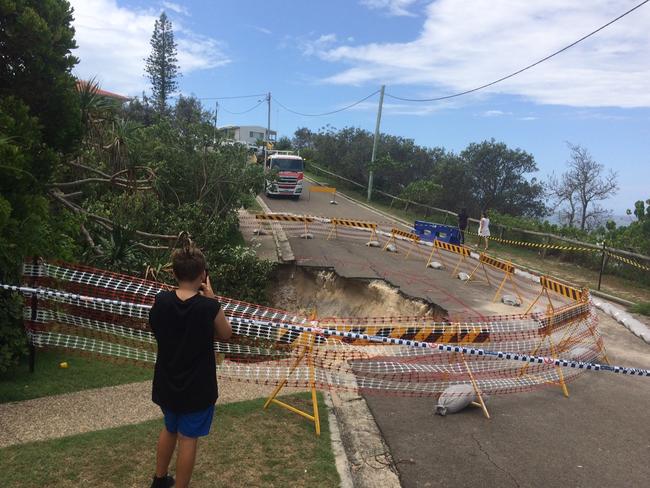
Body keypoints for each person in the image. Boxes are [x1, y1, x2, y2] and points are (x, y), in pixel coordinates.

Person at [149, 241, 232, 488]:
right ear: (203, 275)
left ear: (174, 273)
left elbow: (156, 326)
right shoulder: (208, 307)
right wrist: (213, 298)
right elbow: (226, 333)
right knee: (188, 438)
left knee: (169, 428)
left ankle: (160, 479)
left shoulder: (161, 301)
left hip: (167, 382)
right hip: (197, 388)